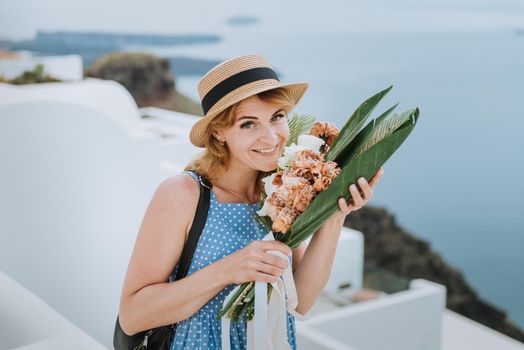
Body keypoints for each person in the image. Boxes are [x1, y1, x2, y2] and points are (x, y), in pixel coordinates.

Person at [117, 54, 384, 349]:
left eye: (276, 117)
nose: (271, 137)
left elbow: (300, 302)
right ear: (219, 132)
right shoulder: (183, 194)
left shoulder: (280, 191)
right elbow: (132, 316)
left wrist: (335, 213)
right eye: (248, 124)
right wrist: (228, 269)